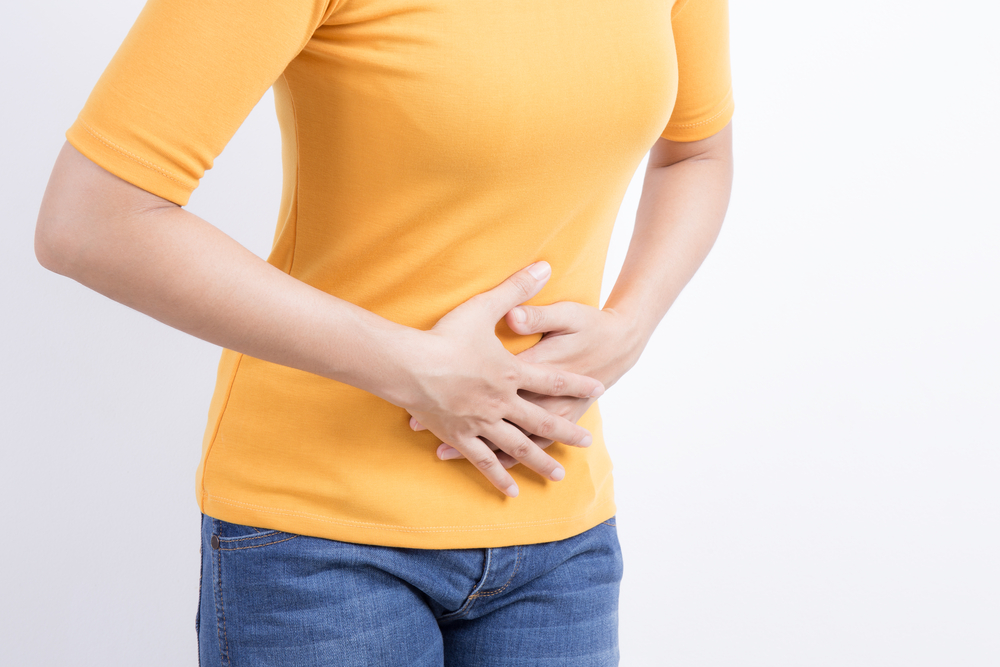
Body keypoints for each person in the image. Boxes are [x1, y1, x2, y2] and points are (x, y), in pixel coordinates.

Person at [34, 0, 734, 664]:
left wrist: (630, 325)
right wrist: (412, 366)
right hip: (320, 540)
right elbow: (93, 218)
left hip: (560, 530)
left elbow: (696, 153)